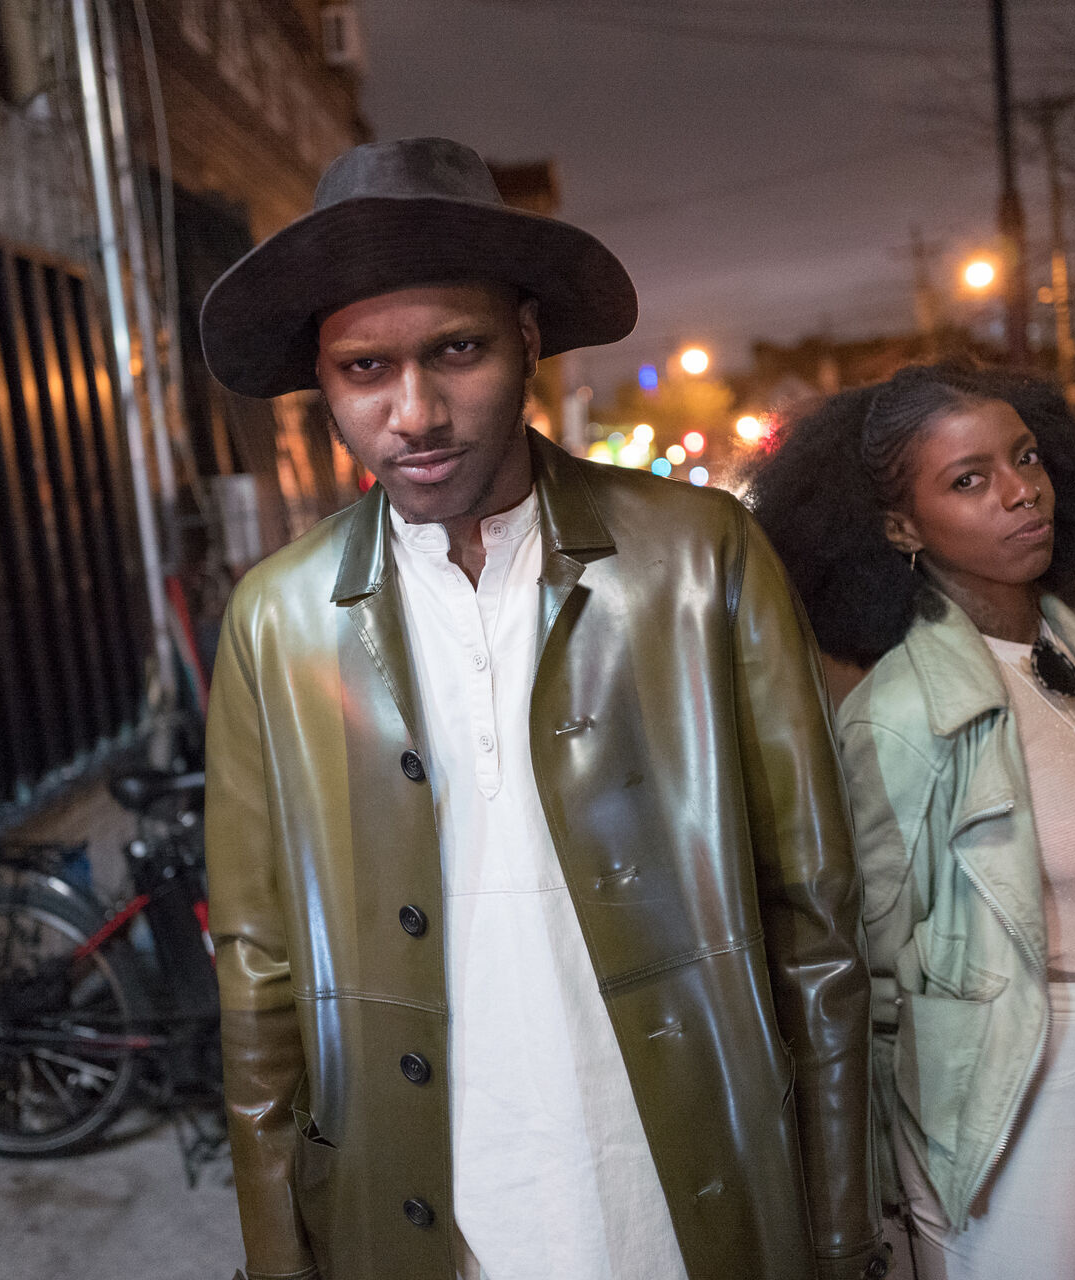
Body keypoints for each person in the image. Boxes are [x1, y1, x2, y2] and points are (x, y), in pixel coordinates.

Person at [196, 136, 886, 1280]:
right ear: (322, 380)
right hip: (420, 1205)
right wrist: (279, 1259)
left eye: (456, 350)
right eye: (364, 368)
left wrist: (843, 1231)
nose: (414, 411)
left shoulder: (698, 559)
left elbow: (814, 922)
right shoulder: (277, 620)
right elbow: (260, 982)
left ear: (526, 337)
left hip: (683, 1188)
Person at [747, 364, 1075, 1280]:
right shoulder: (903, 713)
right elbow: (867, 954)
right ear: (900, 527)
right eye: (968, 480)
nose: (1020, 492)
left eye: (1026, 458)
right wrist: (886, 1142)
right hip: (1013, 1088)